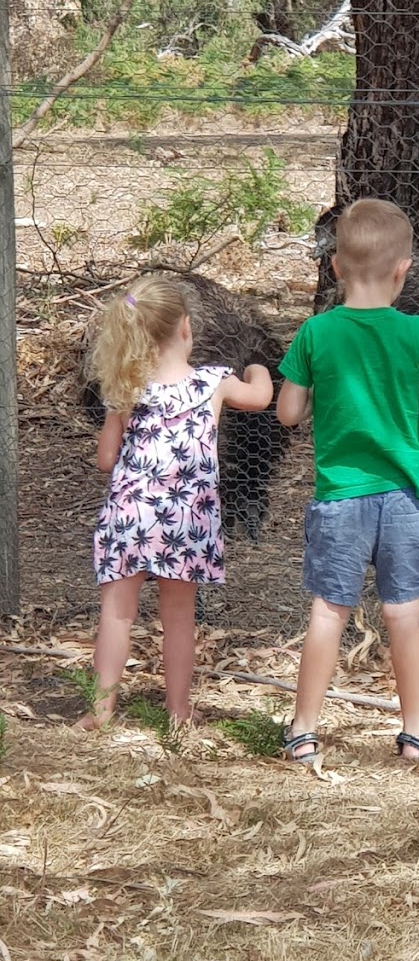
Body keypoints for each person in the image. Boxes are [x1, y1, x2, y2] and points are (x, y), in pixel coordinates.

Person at [276, 198, 419, 763]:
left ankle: (303, 731)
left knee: (328, 610)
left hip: (339, 498)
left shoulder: (316, 333)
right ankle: (415, 734)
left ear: (334, 266)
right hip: (404, 499)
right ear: (404, 270)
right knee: (403, 613)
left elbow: (287, 413)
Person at [76, 275, 273, 730]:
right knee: (179, 617)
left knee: (117, 613)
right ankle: (178, 712)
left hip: (129, 517)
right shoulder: (213, 382)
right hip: (186, 519)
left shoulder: (125, 389)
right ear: (186, 328)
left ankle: (100, 710)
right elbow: (260, 397)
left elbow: (106, 459)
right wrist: (258, 367)